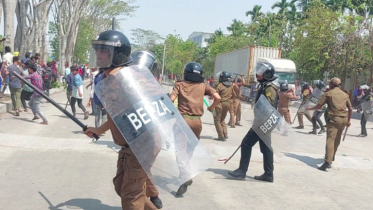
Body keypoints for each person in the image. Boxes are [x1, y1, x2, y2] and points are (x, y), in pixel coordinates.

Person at [83, 30, 160, 210]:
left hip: (142, 143)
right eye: (98, 49)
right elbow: (120, 115)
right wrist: (98, 130)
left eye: (103, 50)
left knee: (130, 196)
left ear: (116, 54)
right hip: (131, 145)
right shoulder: (113, 76)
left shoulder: (121, 78)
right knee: (123, 187)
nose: (98, 54)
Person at [169, 62, 221, 196]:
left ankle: (185, 175)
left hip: (182, 121)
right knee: (189, 149)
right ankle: (185, 173)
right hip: (197, 123)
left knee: (180, 150)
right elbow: (217, 97)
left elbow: (171, 98)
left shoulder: (180, 84)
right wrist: (211, 107)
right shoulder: (204, 86)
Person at [228, 62, 278, 182]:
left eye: (261, 72)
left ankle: (242, 170)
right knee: (266, 148)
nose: (257, 74)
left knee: (246, 143)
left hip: (263, 121)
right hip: (263, 121)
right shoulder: (264, 85)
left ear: (267, 74)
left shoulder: (270, 88)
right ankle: (268, 174)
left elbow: (268, 106)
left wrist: (260, 120)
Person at [307, 77, 352, 171]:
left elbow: (319, 106)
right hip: (344, 119)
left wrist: (310, 109)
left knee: (330, 140)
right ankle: (332, 156)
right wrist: (348, 121)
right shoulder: (345, 94)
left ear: (332, 84)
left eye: (330, 83)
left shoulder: (328, 94)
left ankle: (327, 162)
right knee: (337, 139)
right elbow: (350, 109)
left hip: (334, 119)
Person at [23, 60, 48, 125]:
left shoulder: (33, 75)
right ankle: (35, 115)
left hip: (37, 93)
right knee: (30, 103)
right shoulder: (37, 74)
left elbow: (24, 77)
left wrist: (15, 76)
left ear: (31, 69)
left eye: (28, 69)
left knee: (37, 108)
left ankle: (45, 120)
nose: (28, 70)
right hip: (39, 92)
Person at [213, 71, 235, 140]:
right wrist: (230, 99)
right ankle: (225, 134)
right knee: (222, 119)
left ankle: (220, 136)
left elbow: (216, 95)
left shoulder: (220, 85)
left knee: (217, 120)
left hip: (220, 103)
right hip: (227, 103)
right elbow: (234, 95)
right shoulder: (231, 86)